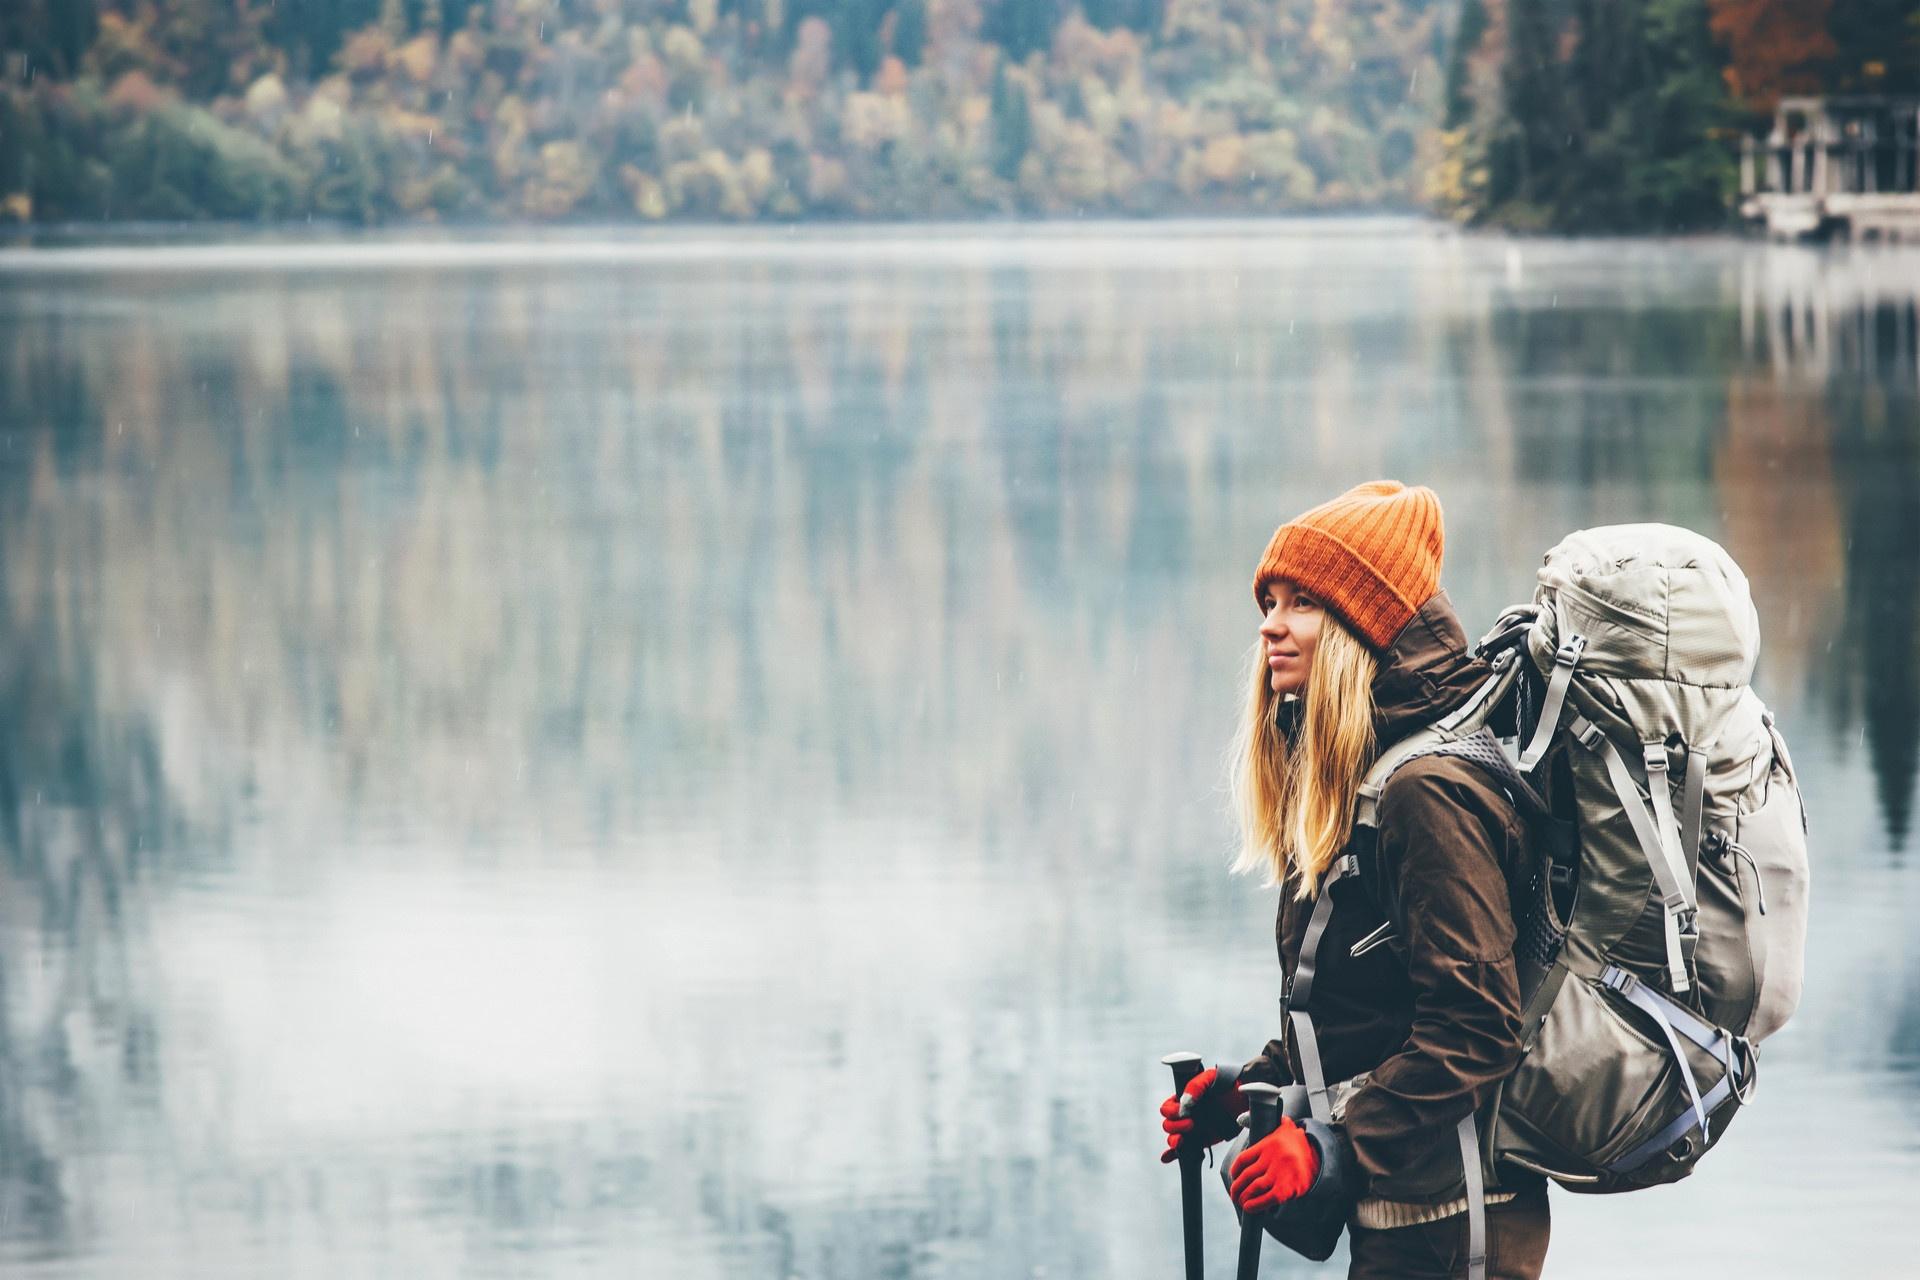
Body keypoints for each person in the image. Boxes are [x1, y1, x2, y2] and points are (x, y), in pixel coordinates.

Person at [1157, 480, 1550, 1279]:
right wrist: (1252, 1089)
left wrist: (1332, 1143)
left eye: (1301, 601)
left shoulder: (1426, 791)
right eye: (1268, 599)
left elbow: (1476, 1028)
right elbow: (1373, 1012)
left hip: (1458, 1228)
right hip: (1408, 1220)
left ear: (1360, 624)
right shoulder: (1366, 780)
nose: (1270, 623)